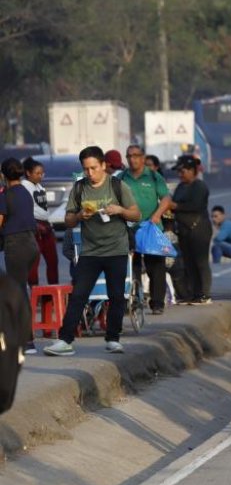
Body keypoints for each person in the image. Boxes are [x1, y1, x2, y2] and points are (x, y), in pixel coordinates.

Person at [43, 146, 141, 356]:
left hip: (116, 250)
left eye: (94, 168)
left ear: (104, 166)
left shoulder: (117, 186)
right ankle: (65, 340)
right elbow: (67, 220)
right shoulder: (79, 188)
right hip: (90, 252)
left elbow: (136, 214)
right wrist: (79, 216)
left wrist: (120, 210)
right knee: (78, 295)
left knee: (117, 296)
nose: (90, 173)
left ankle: (113, 339)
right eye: (86, 169)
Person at [118, 145, 171, 315]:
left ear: (142, 157)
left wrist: (157, 215)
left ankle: (157, 303)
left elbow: (166, 198)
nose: (132, 159)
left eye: (136, 155)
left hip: (151, 227)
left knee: (155, 266)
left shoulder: (154, 177)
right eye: (129, 156)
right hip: (129, 227)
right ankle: (132, 300)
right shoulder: (121, 177)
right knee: (129, 266)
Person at [153, 155, 213, 305]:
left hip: (199, 229)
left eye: (183, 171)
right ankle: (193, 294)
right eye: (179, 172)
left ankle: (204, 294)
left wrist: (175, 206)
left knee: (200, 262)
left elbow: (196, 206)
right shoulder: (181, 186)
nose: (180, 174)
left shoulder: (199, 186)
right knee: (188, 263)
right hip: (184, 229)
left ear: (193, 171)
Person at [1, 158, 39, 353]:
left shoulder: (6, 195)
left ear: (3, 175)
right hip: (31, 244)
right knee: (21, 289)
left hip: (16, 246)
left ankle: (27, 341)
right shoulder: (25, 192)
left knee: (18, 293)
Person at [22, 158, 59, 287]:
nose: (40, 176)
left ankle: (53, 290)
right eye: (37, 173)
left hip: (46, 224)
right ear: (28, 173)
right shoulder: (24, 186)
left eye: (42, 173)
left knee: (53, 261)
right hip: (35, 226)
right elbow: (24, 209)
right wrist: (34, 224)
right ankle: (35, 292)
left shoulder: (39, 185)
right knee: (34, 263)